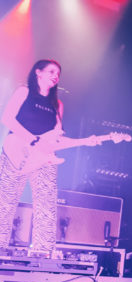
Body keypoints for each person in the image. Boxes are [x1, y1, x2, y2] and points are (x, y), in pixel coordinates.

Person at [0, 59, 97, 257]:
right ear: (38, 72)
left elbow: (57, 138)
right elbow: (7, 118)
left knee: (46, 204)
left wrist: (86, 141)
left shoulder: (57, 105)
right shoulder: (24, 92)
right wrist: (33, 141)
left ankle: (42, 251)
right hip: (16, 152)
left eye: (58, 74)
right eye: (51, 71)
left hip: (44, 158)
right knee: (5, 201)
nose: (55, 76)